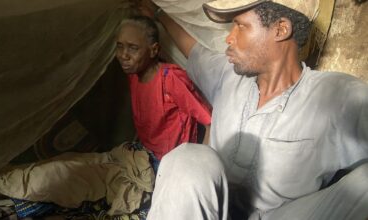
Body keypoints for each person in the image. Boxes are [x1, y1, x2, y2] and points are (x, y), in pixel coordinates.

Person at [138, 0, 368, 219]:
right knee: (188, 158)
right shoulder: (227, 77)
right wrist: (157, 14)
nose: (230, 37)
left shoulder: (336, 96)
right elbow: (194, 50)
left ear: (281, 30)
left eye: (240, 26)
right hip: (218, 211)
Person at [0, 15, 211, 218]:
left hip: (155, 169)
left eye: (132, 48)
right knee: (64, 164)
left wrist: (193, 172)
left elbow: (210, 120)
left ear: (154, 50)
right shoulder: (135, 74)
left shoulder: (171, 79)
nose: (123, 55)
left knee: (59, 178)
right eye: (120, 46)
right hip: (133, 154)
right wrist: (147, 10)